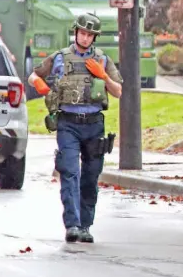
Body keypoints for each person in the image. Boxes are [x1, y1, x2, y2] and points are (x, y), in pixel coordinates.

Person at [28, 14, 123, 243]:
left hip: (93, 125)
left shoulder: (102, 60)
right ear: (76, 32)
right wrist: (39, 84)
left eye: (90, 34)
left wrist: (103, 77)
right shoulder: (60, 57)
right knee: (70, 173)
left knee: (90, 177)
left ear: (95, 38)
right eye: (83, 32)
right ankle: (72, 224)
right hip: (68, 123)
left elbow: (118, 91)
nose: (86, 37)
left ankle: (85, 225)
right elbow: (33, 75)